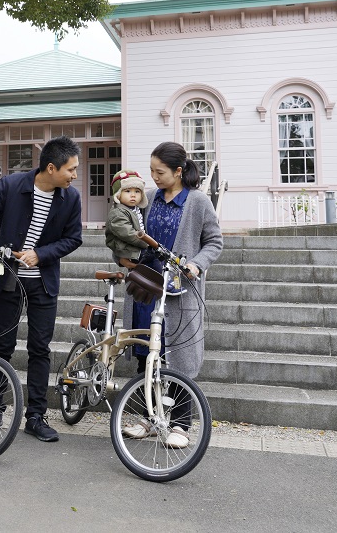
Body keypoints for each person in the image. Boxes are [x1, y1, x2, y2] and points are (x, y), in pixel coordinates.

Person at [0, 136, 82, 443]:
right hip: (9, 277)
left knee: (40, 349)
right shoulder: (12, 185)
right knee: (3, 346)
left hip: (43, 282)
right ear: (51, 168)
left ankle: (35, 416)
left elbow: (73, 238)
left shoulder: (70, 199)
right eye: (71, 169)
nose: (74, 175)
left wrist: (42, 253)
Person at [122, 142, 223, 447]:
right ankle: (149, 418)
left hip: (180, 292)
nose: (154, 177)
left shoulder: (198, 201)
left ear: (178, 172)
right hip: (146, 287)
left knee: (179, 357)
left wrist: (196, 264)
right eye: (151, 170)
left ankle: (180, 425)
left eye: (160, 172)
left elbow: (215, 242)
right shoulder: (149, 198)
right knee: (146, 354)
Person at [104, 168, 149, 268]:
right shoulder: (118, 213)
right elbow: (128, 233)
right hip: (128, 251)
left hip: (136, 249)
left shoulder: (135, 209)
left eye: (137, 191)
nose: (133, 195)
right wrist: (148, 243)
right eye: (128, 191)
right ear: (118, 195)